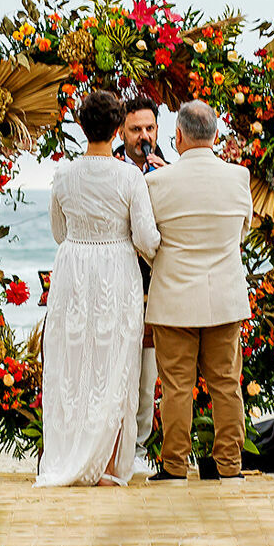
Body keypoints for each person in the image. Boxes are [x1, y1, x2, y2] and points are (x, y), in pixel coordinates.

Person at [36, 91, 160, 487]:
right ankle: (106, 465)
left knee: (73, 364)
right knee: (115, 364)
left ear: (81, 125)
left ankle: (69, 453)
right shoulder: (129, 177)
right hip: (116, 271)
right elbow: (146, 237)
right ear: (118, 128)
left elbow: (58, 232)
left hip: (74, 271)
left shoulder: (63, 175)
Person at [144, 100, 252, 482]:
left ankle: (174, 466)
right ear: (216, 135)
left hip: (173, 298)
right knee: (226, 384)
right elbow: (243, 232)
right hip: (224, 297)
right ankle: (229, 466)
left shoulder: (156, 182)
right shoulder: (239, 178)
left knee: (176, 387)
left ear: (177, 137)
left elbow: (148, 241)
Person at [111, 95, 168, 454]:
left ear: (158, 129)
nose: (142, 136)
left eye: (149, 128)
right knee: (115, 373)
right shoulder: (108, 165)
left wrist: (165, 182)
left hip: (153, 289)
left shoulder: (168, 167)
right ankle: (113, 449)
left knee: (148, 378)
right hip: (116, 283)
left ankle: (140, 447)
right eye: (135, 129)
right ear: (122, 131)